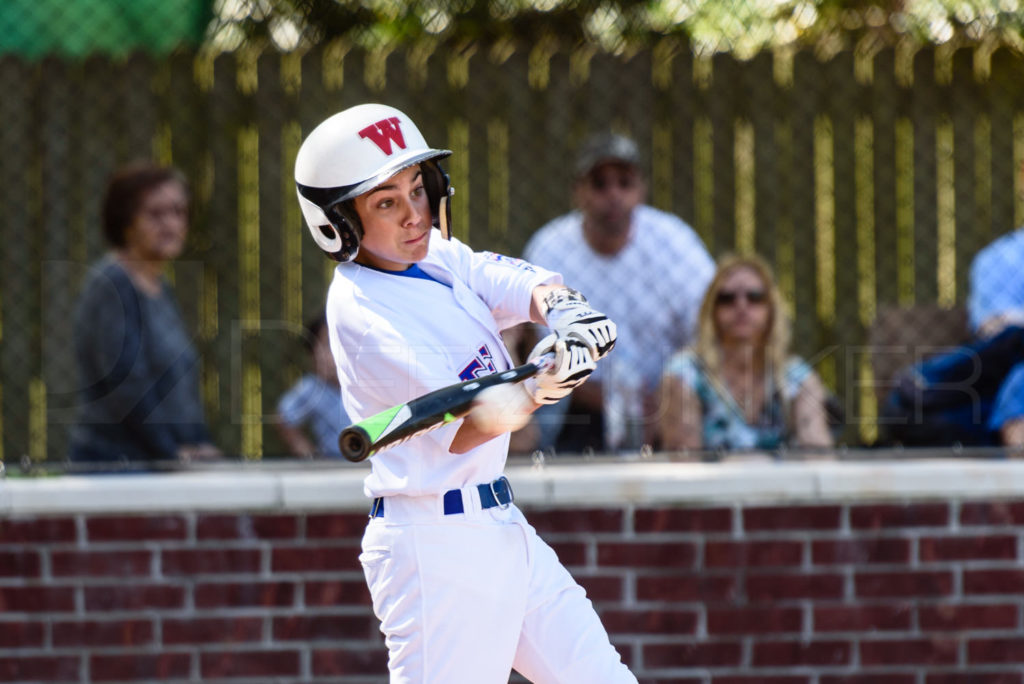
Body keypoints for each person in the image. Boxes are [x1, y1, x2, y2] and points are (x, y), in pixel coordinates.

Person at [294, 104, 635, 683]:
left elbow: (497, 276)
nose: (413, 214)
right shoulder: (365, 312)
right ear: (339, 223)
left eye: (416, 189)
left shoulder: (429, 257)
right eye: (385, 202)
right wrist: (545, 383)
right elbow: (468, 423)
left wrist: (563, 308)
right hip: (436, 548)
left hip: (497, 522)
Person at [521, 132, 715, 453]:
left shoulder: (675, 242)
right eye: (599, 184)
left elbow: (709, 333)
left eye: (624, 183)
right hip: (579, 400)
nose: (613, 194)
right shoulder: (549, 250)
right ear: (578, 192)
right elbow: (545, 354)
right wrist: (622, 406)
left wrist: (668, 397)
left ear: (641, 190)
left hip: (670, 400)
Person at [68, 162, 221, 467]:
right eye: (155, 214)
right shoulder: (113, 285)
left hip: (158, 462)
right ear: (126, 221)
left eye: (178, 212)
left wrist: (199, 444)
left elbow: (176, 386)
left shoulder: (157, 285)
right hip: (116, 464)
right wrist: (170, 453)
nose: (171, 224)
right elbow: (126, 385)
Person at [658, 254, 833, 453]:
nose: (741, 306)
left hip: (782, 485)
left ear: (771, 309)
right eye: (727, 299)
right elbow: (685, 465)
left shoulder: (796, 378)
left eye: (755, 297)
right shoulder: (685, 375)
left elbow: (819, 457)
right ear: (711, 310)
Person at [275, 313, 350, 458]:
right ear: (313, 356)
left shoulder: (367, 386)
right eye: (328, 346)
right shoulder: (311, 388)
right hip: (333, 464)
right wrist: (307, 451)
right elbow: (284, 418)